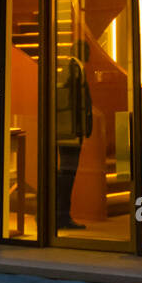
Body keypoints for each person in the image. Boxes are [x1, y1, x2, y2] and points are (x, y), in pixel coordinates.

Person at [55, 39, 93, 232]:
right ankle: (61, 215)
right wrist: (77, 130)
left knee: (66, 174)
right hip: (69, 134)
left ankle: (60, 214)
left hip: (68, 133)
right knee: (67, 175)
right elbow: (70, 103)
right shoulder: (72, 69)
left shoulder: (72, 68)